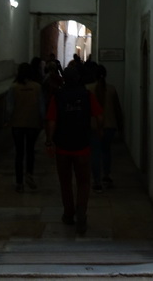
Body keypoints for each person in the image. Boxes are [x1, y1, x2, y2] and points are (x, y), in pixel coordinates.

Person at [45, 65, 103, 235]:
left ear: (64, 79)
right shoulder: (87, 95)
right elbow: (99, 116)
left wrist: (49, 140)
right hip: (82, 146)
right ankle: (81, 213)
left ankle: (69, 214)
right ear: (78, 79)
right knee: (84, 182)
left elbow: (51, 121)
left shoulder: (58, 97)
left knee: (65, 182)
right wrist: (99, 131)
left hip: (62, 146)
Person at [7, 62, 45, 193]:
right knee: (30, 150)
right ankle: (29, 174)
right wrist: (43, 121)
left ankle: (19, 182)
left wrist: (7, 120)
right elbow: (41, 107)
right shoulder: (37, 87)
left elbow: (9, 108)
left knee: (19, 153)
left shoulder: (14, 88)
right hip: (33, 124)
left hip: (17, 124)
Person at [87, 64, 124, 192]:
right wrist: (121, 126)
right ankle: (106, 176)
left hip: (93, 126)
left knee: (95, 154)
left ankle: (96, 181)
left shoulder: (88, 89)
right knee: (106, 151)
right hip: (109, 126)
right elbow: (117, 110)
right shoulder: (111, 89)